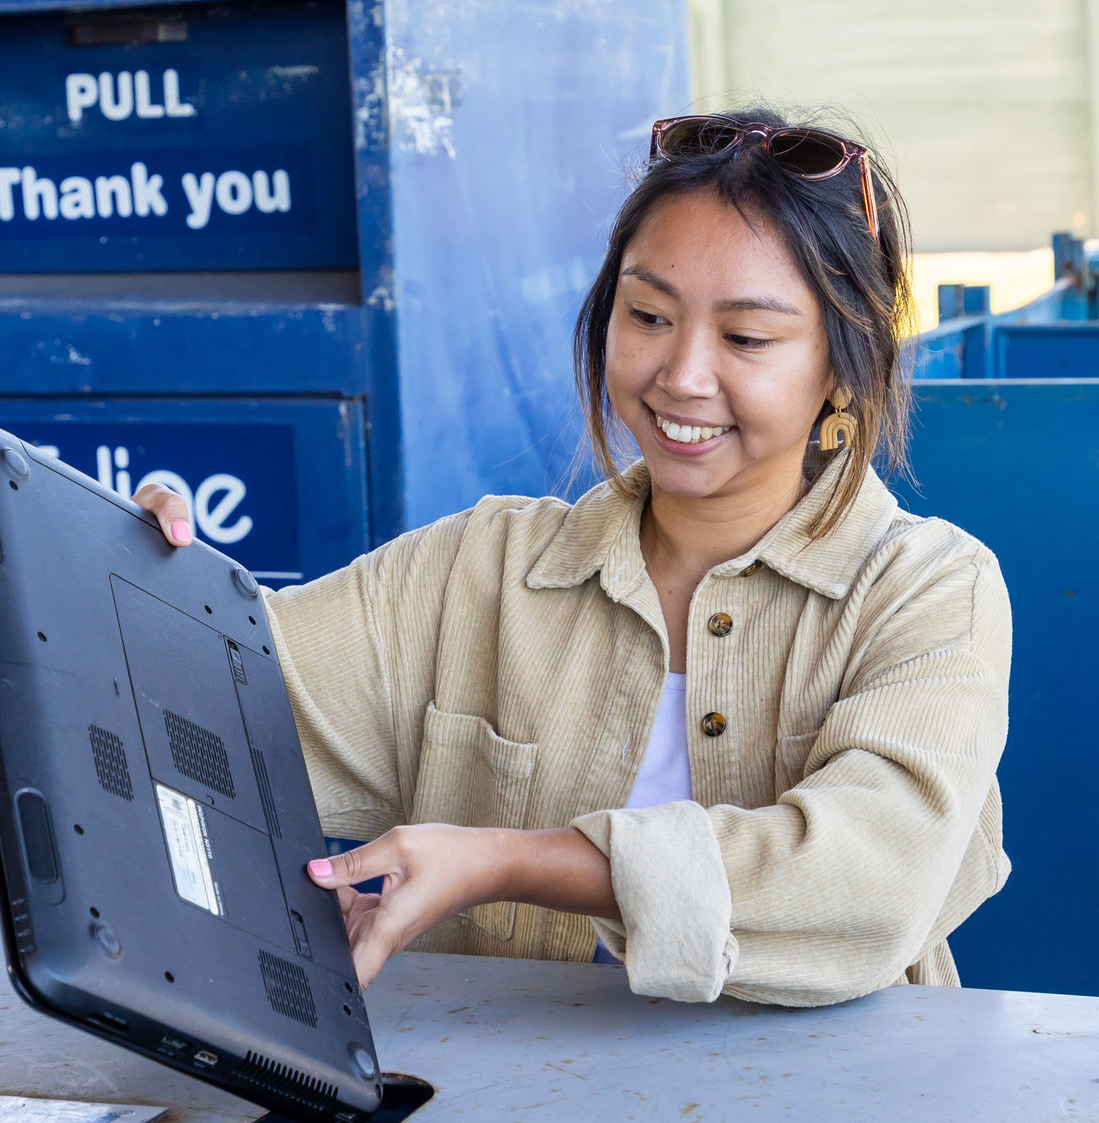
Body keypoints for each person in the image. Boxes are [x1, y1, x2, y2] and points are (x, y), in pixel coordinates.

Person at [135, 108, 1012, 1008]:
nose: (682, 374)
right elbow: (204, 709)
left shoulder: (929, 592)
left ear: (844, 363)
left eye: (746, 337)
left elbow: (870, 881)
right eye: (649, 315)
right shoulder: (475, 570)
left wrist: (507, 861)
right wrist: (125, 565)